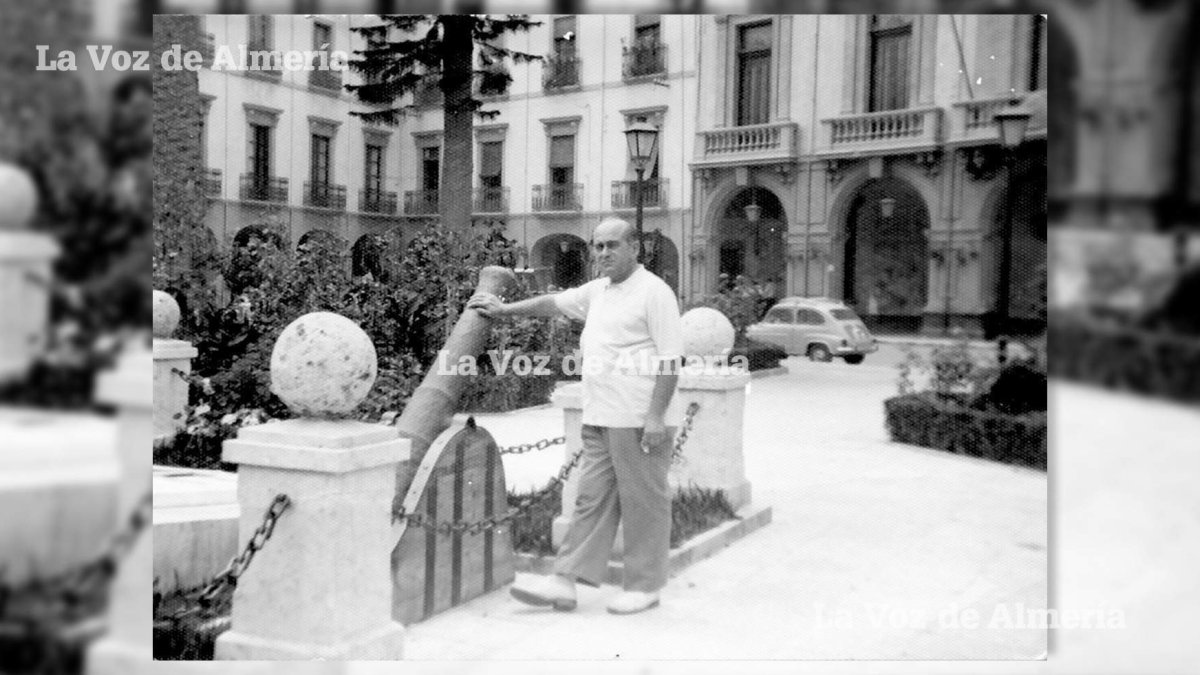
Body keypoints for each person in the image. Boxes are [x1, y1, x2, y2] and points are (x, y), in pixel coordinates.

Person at [467, 218, 684, 615]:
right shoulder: (598, 291)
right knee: (590, 500)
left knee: (644, 502)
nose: (603, 254)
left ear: (635, 248)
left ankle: (645, 586)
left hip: (639, 416)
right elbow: (552, 303)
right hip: (600, 413)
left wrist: (655, 417)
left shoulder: (655, 293)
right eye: (598, 246)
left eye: (612, 245)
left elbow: (671, 360)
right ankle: (564, 583)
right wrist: (502, 311)